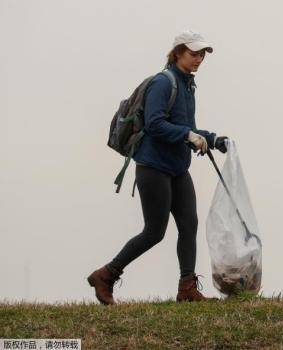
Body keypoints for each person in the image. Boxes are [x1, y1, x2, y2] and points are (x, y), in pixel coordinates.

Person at [87, 30, 228, 305]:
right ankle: (105, 275)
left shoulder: (188, 86)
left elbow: (187, 127)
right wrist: (189, 136)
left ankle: (187, 287)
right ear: (178, 53)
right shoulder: (164, 83)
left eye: (202, 54)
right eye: (193, 53)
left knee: (189, 224)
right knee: (154, 231)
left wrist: (212, 139)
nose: (199, 59)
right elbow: (155, 123)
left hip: (177, 167)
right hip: (153, 167)